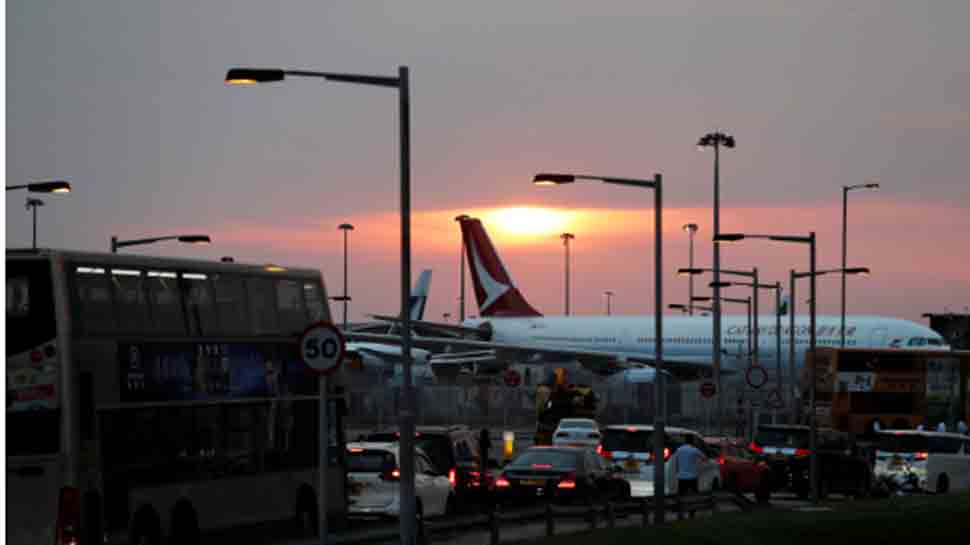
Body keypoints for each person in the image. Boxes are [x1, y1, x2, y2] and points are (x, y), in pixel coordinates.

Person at [672, 434, 707, 518]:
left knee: (681, 496)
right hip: (692, 476)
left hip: (681, 477)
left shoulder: (679, 450)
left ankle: (680, 514)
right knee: (693, 496)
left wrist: (677, 472)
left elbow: (676, 461)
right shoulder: (694, 450)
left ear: (685, 441)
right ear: (692, 441)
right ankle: (692, 514)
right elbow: (704, 458)